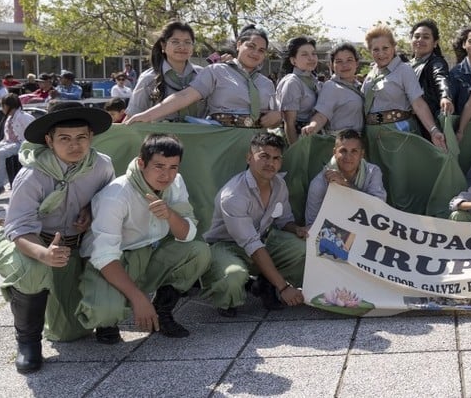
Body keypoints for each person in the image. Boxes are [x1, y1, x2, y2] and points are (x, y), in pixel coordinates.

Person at [0, 101, 114, 373]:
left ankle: (102, 313)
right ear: (49, 140)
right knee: (31, 270)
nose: (75, 146)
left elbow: (108, 201)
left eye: (81, 137)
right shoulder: (33, 174)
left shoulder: (102, 166)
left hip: (76, 247)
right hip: (34, 243)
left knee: (69, 332)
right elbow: (19, 228)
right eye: (64, 139)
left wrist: (90, 212)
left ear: (91, 137)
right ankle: (28, 342)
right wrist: (44, 254)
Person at [76, 133, 211, 343]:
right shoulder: (117, 194)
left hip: (148, 253)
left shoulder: (175, 183)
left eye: (173, 167)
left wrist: (170, 215)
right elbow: (104, 256)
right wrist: (139, 299)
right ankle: (107, 321)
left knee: (198, 251)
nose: (166, 175)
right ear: (141, 163)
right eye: (159, 166)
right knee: (105, 312)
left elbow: (188, 234)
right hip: (113, 262)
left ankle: (162, 311)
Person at [201, 133, 308, 316]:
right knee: (233, 277)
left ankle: (266, 281)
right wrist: (284, 288)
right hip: (227, 246)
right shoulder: (234, 195)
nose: (270, 163)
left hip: (261, 240)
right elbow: (252, 245)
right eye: (264, 156)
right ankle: (229, 297)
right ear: (249, 157)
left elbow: (283, 221)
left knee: (302, 248)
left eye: (276, 158)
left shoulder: (279, 184)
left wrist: (297, 229)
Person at [126, 25, 282, 129]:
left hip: (256, 145)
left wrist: (277, 117)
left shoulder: (266, 83)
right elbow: (185, 96)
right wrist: (146, 116)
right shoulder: (216, 71)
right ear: (239, 44)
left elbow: (275, 118)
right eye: (251, 46)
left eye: (262, 50)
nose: (255, 53)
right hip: (217, 141)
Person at [361, 25, 446, 150]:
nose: (381, 53)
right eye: (375, 49)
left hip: (398, 134)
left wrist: (433, 130)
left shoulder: (404, 70)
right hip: (373, 137)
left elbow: (418, 103)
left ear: (393, 47)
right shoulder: (371, 74)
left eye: (385, 48)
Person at [126, 21, 205, 121]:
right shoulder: (148, 79)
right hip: (161, 136)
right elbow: (132, 119)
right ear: (163, 45)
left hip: (199, 136)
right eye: (175, 42)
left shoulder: (203, 75)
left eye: (187, 42)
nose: (182, 47)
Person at [305, 129, 386, 226]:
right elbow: (311, 223)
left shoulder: (373, 172)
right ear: (334, 152)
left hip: (366, 228)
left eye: (354, 151)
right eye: (343, 151)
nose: (348, 157)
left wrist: (345, 184)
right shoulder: (320, 183)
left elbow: (378, 208)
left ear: (362, 154)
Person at [301, 43, 365, 135]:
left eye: (349, 60)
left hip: (358, 142)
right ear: (331, 65)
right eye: (339, 61)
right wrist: (313, 126)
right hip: (341, 143)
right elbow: (321, 115)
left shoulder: (360, 86)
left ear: (357, 63)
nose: (344, 65)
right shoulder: (331, 87)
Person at [0, 94, 35, 203]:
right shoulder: (9, 117)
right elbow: (7, 138)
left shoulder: (24, 117)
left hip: (22, 144)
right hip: (8, 142)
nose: (2, 108)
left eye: (3, 106)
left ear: (7, 106)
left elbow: (32, 133)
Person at [409, 20, 454, 129]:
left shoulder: (436, 62)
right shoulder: (404, 66)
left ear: (435, 43)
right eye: (417, 36)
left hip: (425, 124)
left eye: (426, 37)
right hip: (405, 122)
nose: (420, 40)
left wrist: (445, 96)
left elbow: (441, 77)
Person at [277, 36, 320, 145]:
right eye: (304, 54)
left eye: (314, 54)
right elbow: (289, 123)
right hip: (295, 138)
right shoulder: (292, 82)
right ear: (293, 60)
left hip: (311, 137)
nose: (311, 58)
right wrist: (296, 151)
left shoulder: (314, 81)